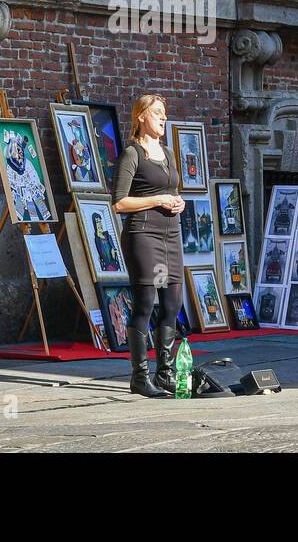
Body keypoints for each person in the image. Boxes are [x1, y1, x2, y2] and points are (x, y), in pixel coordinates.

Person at [111, 94, 185, 397]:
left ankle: (165, 374)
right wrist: (158, 200)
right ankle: (139, 377)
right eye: (157, 113)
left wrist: (177, 201)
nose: (163, 118)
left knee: (172, 305)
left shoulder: (167, 152)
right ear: (141, 116)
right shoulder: (132, 153)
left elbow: (171, 189)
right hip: (144, 235)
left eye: (165, 113)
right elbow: (119, 202)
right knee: (145, 305)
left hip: (171, 234)